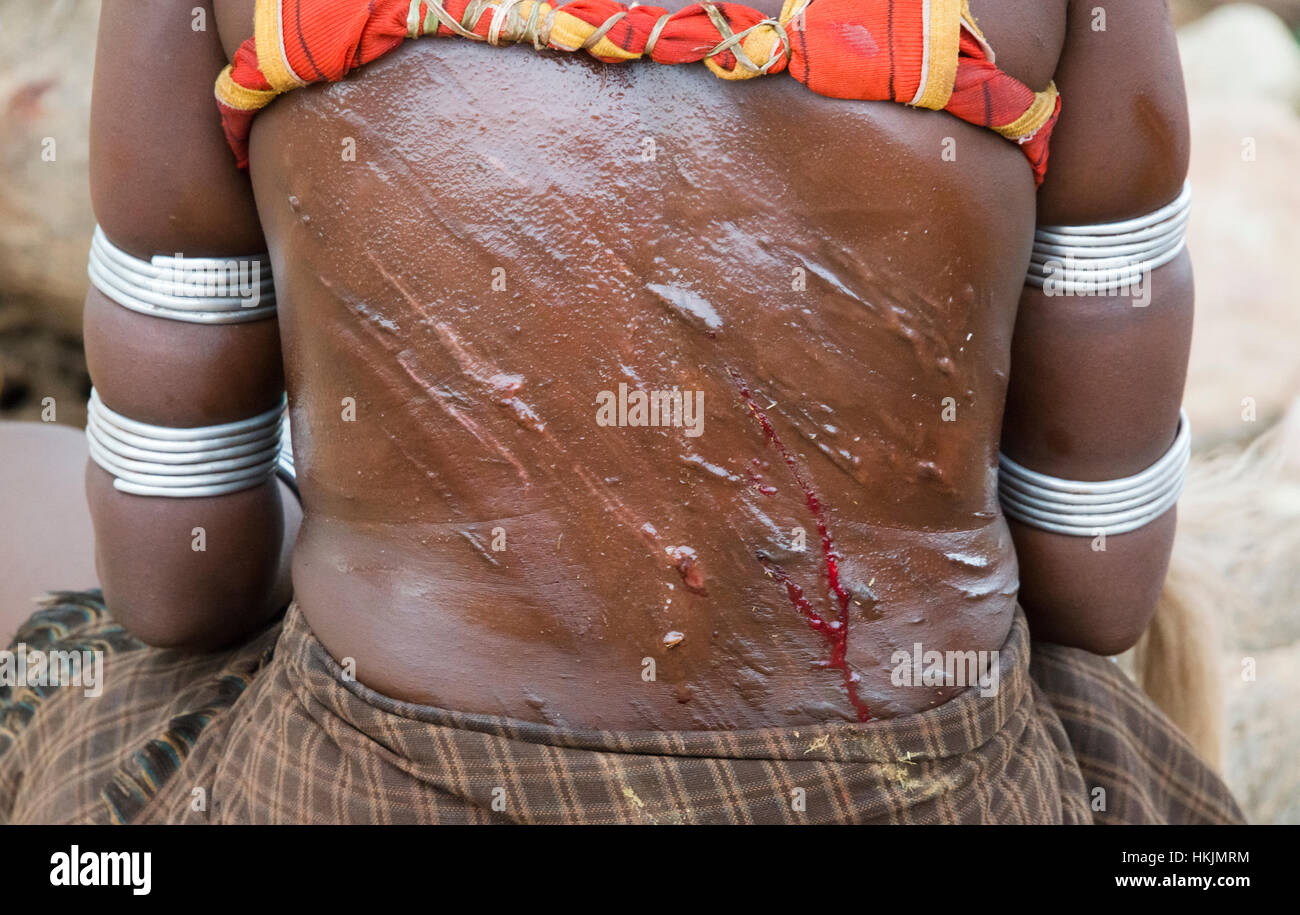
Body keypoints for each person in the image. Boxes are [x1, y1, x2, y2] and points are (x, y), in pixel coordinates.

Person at [0, 0, 1243, 824]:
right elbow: (1095, 587)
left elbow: (175, 587)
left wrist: (372, 528)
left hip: (362, 788)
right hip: (928, 790)